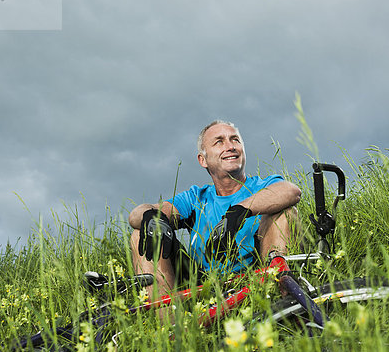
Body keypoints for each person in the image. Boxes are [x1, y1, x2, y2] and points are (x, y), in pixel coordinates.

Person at [128, 120, 301, 296]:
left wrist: (237, 213)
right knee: (141, 232)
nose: (230, 146)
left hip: (255, 280)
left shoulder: (262, 186)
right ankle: (168, 321)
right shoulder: (196, 197)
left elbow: (291, 191)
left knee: (285, 213)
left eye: (235, 140)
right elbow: (136, 215)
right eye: (219, 142)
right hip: (202, 285)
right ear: (203, 160)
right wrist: (151, 216)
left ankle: (285, 298)